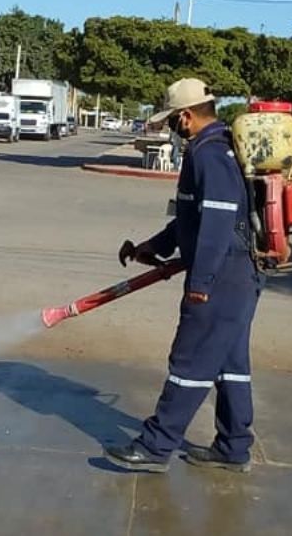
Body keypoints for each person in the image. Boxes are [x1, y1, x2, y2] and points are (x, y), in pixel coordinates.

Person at [105, 78, 262, 475]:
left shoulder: (209, 154)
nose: (171, 128)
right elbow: (191, 219)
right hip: (236, 272)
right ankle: (233, 445)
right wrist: (153, 247)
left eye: (172, 120)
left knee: (189, 360)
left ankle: (156, 446)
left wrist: (200, 285)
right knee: (229, 363)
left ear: (187, 116)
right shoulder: (214, 148)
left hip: (224, 273)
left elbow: (218, 223)